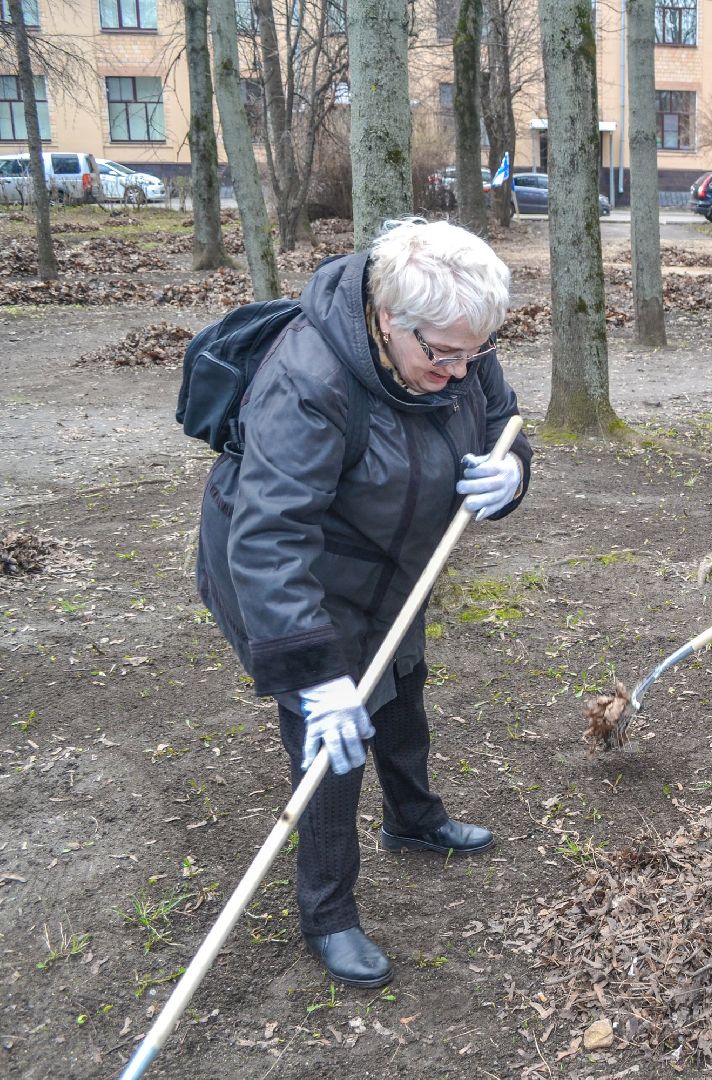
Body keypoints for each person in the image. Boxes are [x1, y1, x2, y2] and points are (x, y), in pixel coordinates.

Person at [194, 219, 533, 988]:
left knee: (402, 684)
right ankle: (328, 913)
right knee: (331, 742)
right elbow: (270, 537)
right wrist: (317, 679)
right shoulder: (307, 378)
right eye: (439, 355)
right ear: (388, 319)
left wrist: (511, 472)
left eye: (470, 353)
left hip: (392, 565)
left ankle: (414, 821)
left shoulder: (459, 340)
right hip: (296, 575)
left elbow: (504, 423)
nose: (457, 372)